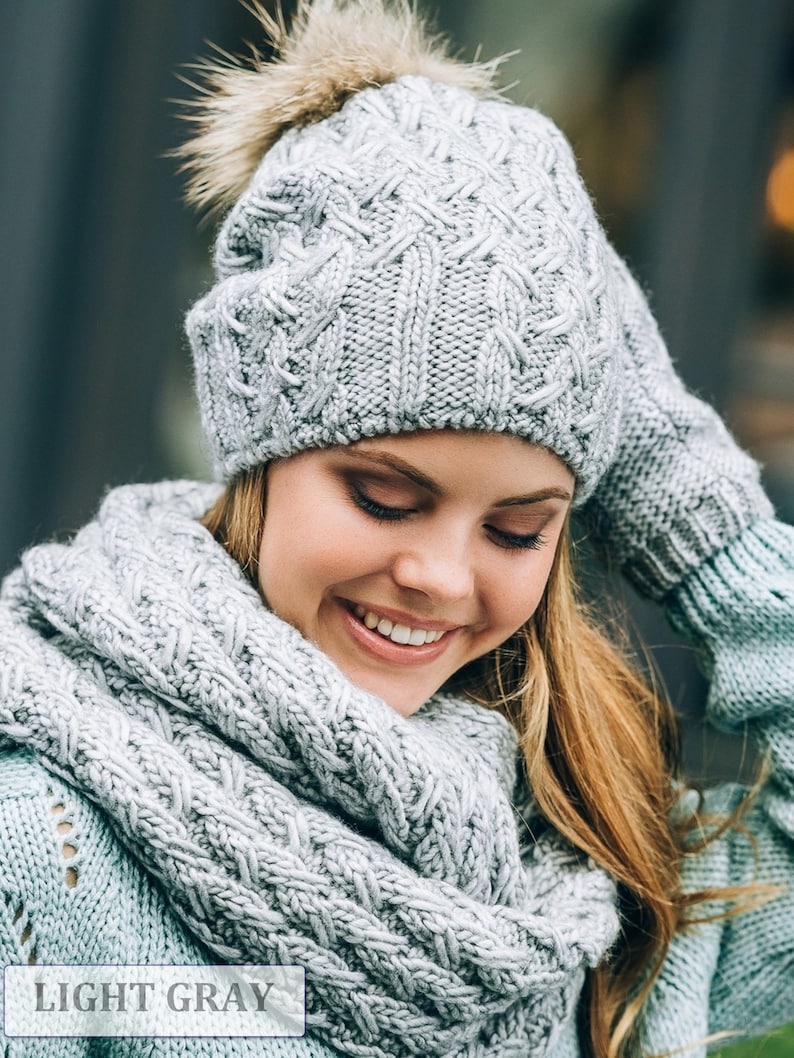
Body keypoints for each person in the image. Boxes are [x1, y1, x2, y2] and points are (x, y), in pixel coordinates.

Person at [0, 2, 792, 1057]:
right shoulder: (49, 851)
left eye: (516, 529)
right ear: (258, 448)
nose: (436, 574)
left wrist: (696, 516)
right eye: (383, 496)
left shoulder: (603, 874)